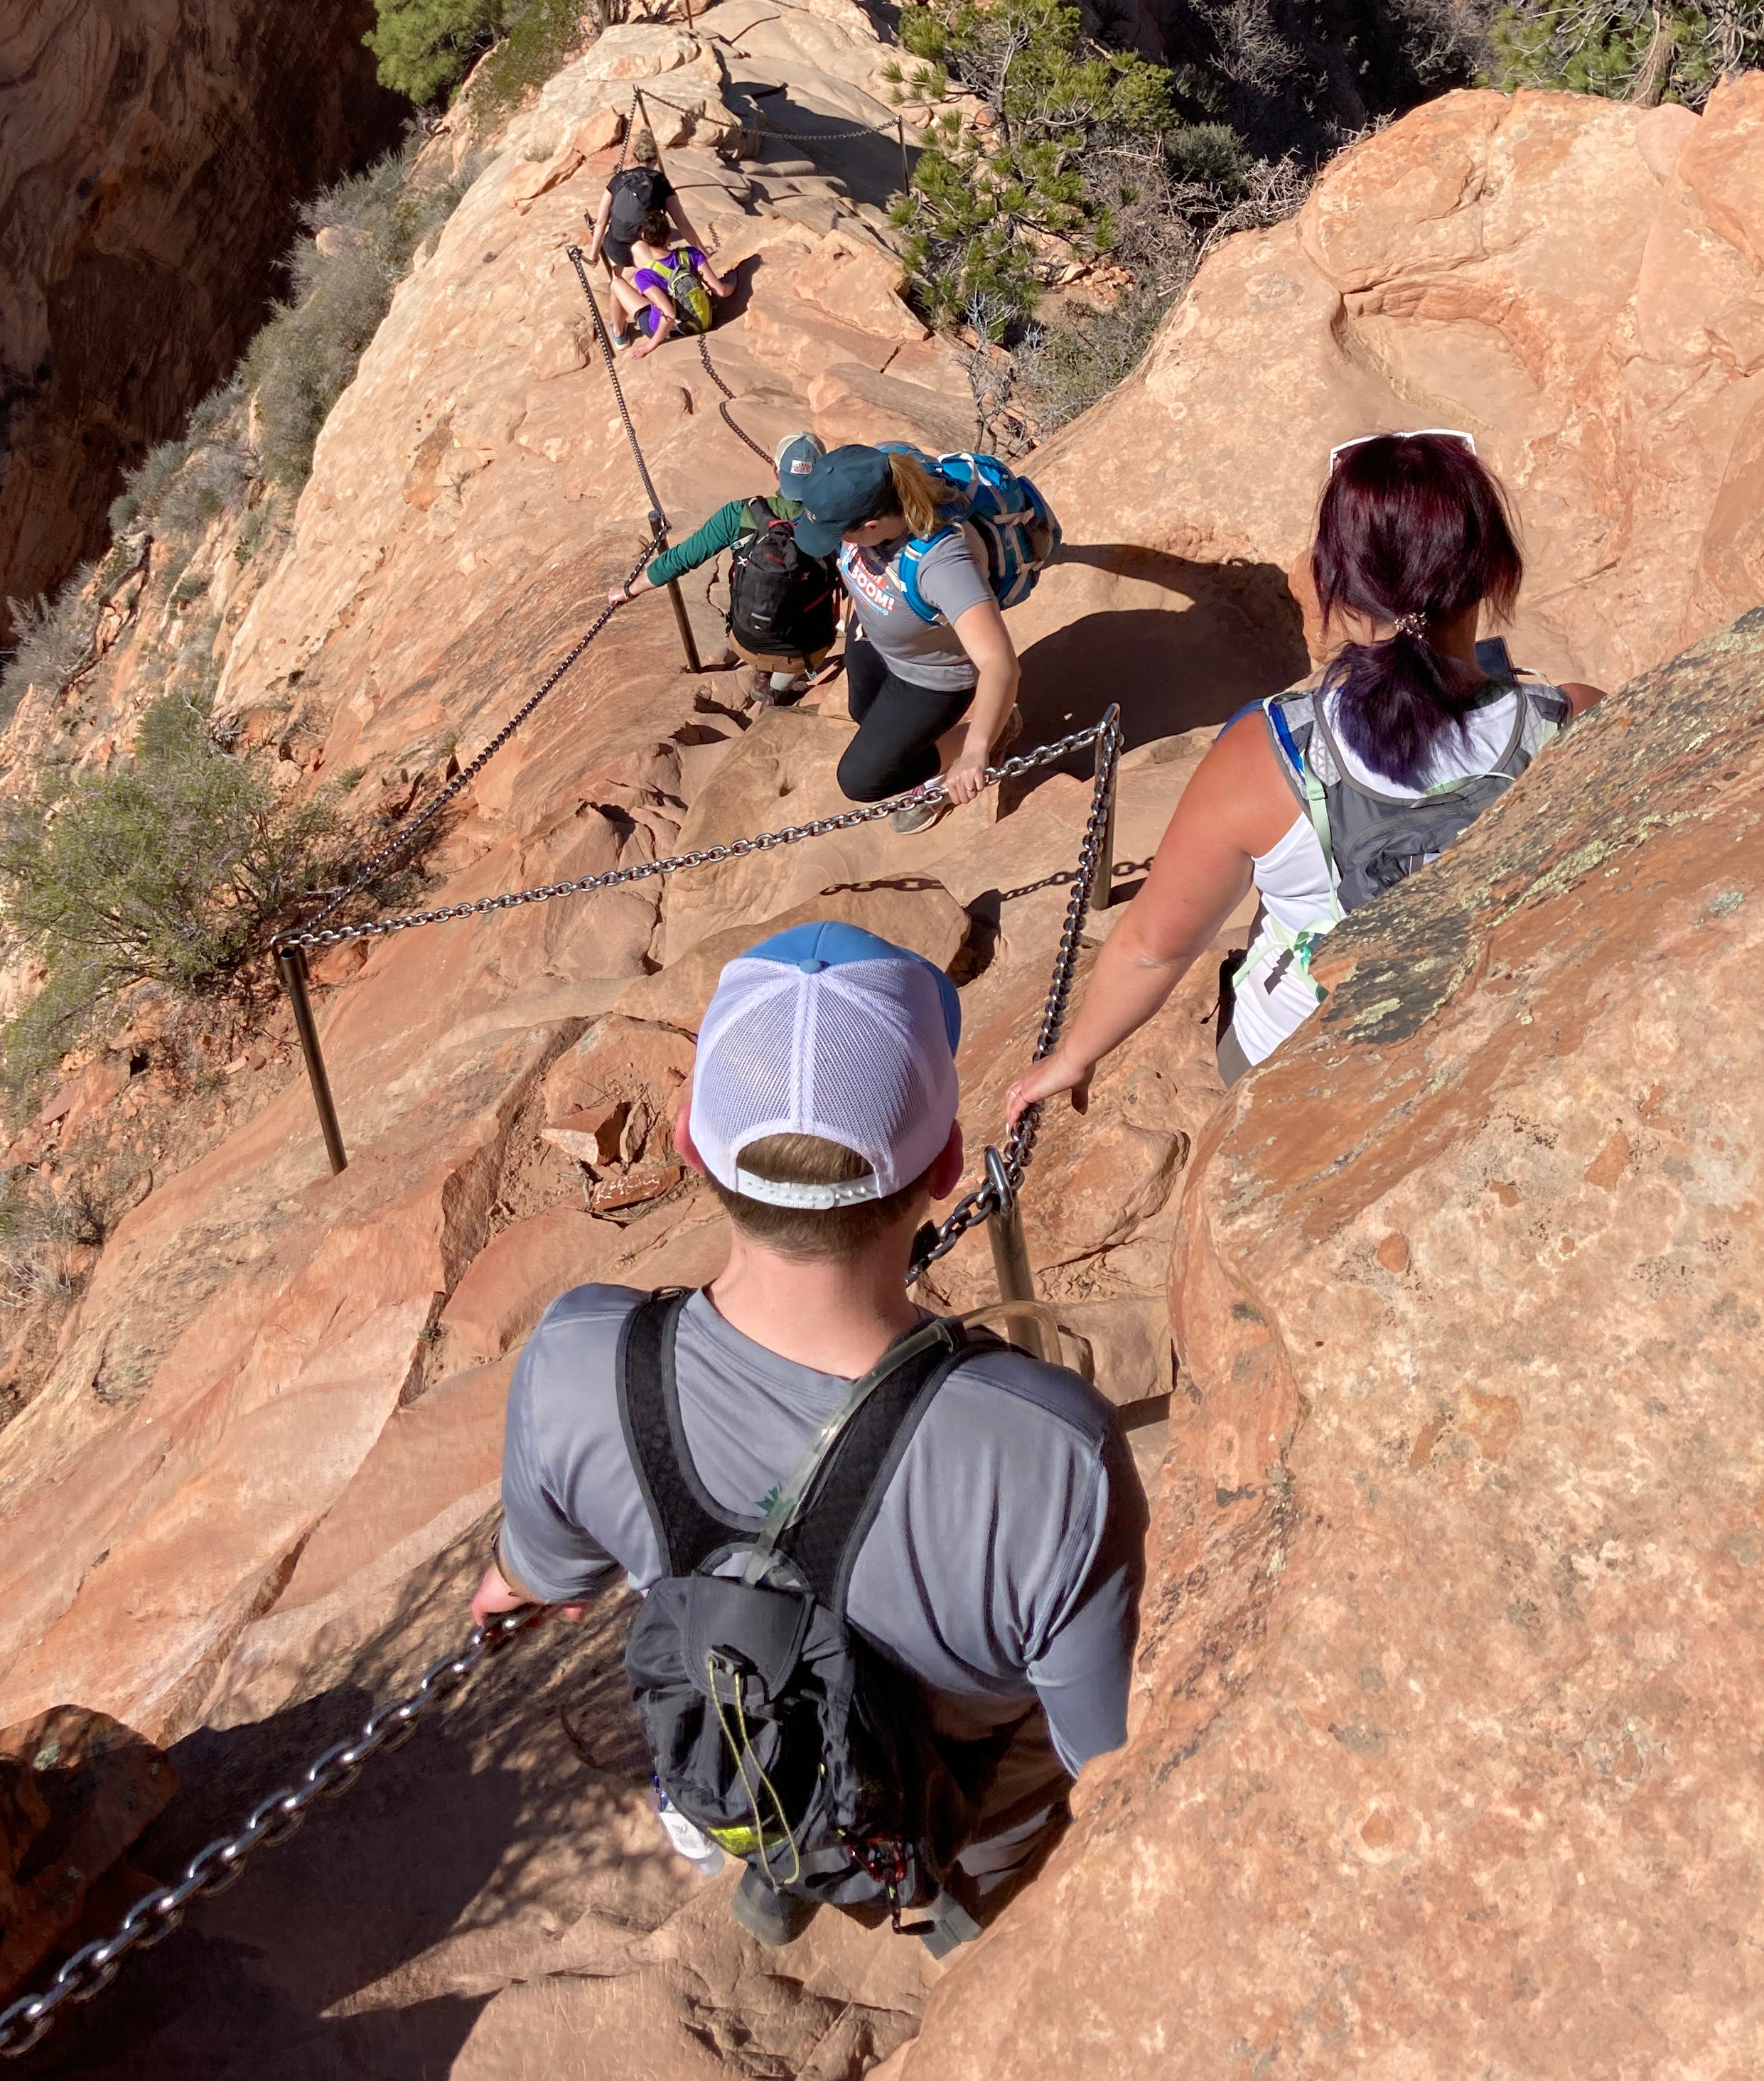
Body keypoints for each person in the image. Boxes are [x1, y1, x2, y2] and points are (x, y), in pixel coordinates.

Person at [470, 923, 1144, 1954]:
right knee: (1009, 1787)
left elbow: (537, 1573)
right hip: (944, 1774)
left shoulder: (577, 1362)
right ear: (948, 1163)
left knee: (765, 1708)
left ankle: (782, 1877)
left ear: (693, 1145)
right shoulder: (1054, 1458)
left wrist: (509, 1587)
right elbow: (1112, 1756)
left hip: (746, 1726)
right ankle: (962, 1932)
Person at [1003, 430, 1606, 1119]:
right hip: (1489, 1042)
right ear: (1498, 571)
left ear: (1330, 583)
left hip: (1293, 1063)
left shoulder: (1266, 753)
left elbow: (1153, 949)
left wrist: (1075, 1055)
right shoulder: (1575, 721)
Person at [787, 443, 1023, 837]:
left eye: (837, 532)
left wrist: (975, 751)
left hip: (931, 677)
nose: (831, 542)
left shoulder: (943, 563)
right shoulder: (877, 475)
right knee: (865, 714)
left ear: (873, 527)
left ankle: (997, 729)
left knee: (863, 781)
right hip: (875, 640)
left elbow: (1000, 664)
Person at [611, 431, 837, 702]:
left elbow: (681, 558)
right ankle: (775, 693)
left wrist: (630, 590)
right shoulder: (837, 520)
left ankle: (761, 677)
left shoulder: (737, 514)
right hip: (802, 651)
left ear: (776, 471)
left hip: (745, 640)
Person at [583, 124, 726, 348]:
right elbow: (684, 224)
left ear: (635, 155)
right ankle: (676, 309)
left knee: (617, 283)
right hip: (644, 242)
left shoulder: (618, 180)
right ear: (655, 158)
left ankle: (619, 332)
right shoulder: (659, 182)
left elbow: (601, 222)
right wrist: (703, 253)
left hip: (615, 245)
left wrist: (592, 255)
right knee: (660, 277)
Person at [620, 211, 728, 356]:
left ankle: (619, 333)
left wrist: (650, 346)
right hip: (702, 321)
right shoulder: (691, 254)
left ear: (644, 238)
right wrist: (734, 278)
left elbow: (669, 314)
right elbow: (721, 291)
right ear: (669, 235)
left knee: (616, 285)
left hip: (668, 330)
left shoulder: (644, 275)